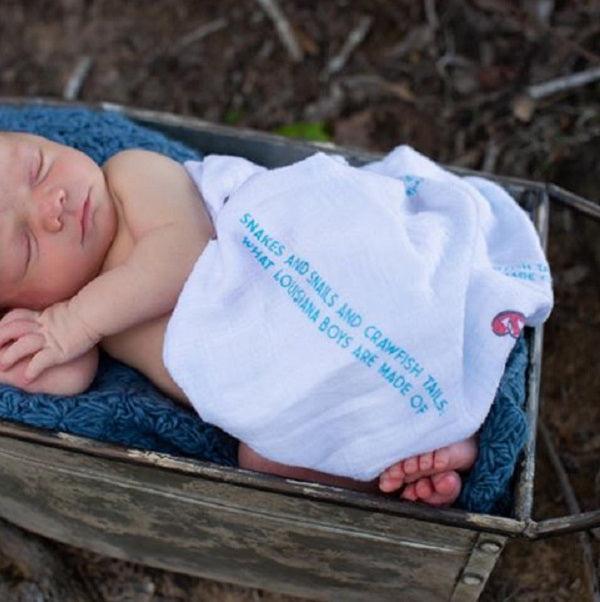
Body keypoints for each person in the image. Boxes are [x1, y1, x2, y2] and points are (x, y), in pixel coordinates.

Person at [0, 132, 550, 505]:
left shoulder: (129, 175)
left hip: (295, 266)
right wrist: (30, 347)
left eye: (39, 167)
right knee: (265, 458)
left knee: (380, 287)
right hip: (280, 386)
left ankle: (439, 391)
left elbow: (180, 255)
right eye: (25, 245)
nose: (52, 207)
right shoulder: (60, 315)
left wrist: (73, 321)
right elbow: (66, 376)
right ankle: (401, 458)